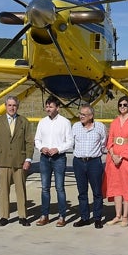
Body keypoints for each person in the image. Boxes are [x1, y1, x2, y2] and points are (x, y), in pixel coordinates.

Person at [0, 95, 34, 227]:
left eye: (14, 105)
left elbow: (29, 142)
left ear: (17, 107)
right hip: (3, 162)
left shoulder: (23, 121)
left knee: (21, 190)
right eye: (9, 105)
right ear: (5, 106)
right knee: (4, 190)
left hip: (19, 162)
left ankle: (23, 216)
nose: (12, 108)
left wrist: (28, 159)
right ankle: (4, 216)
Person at [34, 96, 73, 227]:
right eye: (47, 106)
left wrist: (58, 149)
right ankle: (44, 215)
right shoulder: (42, 122)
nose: (48, 109)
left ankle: (62, 216)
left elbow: (70, 142)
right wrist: (41, 148)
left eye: (51, 106)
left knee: (59, 188)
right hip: (44, 158)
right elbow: (37, 140)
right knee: (45, 188)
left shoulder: (65, 122)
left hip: (59, 158)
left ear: (57, 107)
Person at [103, 96, 128, 226]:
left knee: (126, 185)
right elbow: (110, 140)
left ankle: (125, 216)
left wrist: (122, 156)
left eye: (125, 105)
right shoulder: (114, 122)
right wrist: (113, 154)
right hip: (113, 158)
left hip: (126, 159)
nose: (122, 107)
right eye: (120, 105)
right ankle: (117, 215)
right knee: (115, 185)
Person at [71, 104, 107, 229]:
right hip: (79, 162)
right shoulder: (75, 127)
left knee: (97, 192)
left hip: (94, 162)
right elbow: (72, 143)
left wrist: (95, 155)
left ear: (91, 116)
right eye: (80, 114)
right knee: (82, 192)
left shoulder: (100, 127)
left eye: (84, 114)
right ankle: (85, 217)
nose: (81, 116)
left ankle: (97, 218)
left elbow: (103, 143)